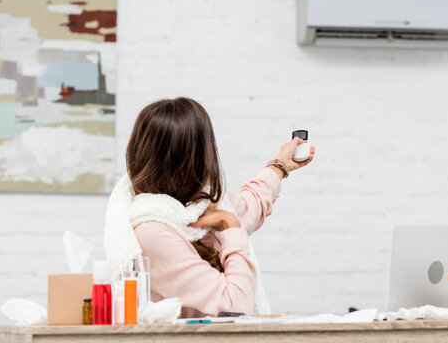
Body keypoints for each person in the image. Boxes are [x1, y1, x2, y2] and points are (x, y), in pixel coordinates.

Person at [122, 97, 315, 317]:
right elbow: (233, 308)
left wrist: (280, 165)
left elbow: (251, 203)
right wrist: (231, 227)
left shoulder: (201, 205)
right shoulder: (153, 233)